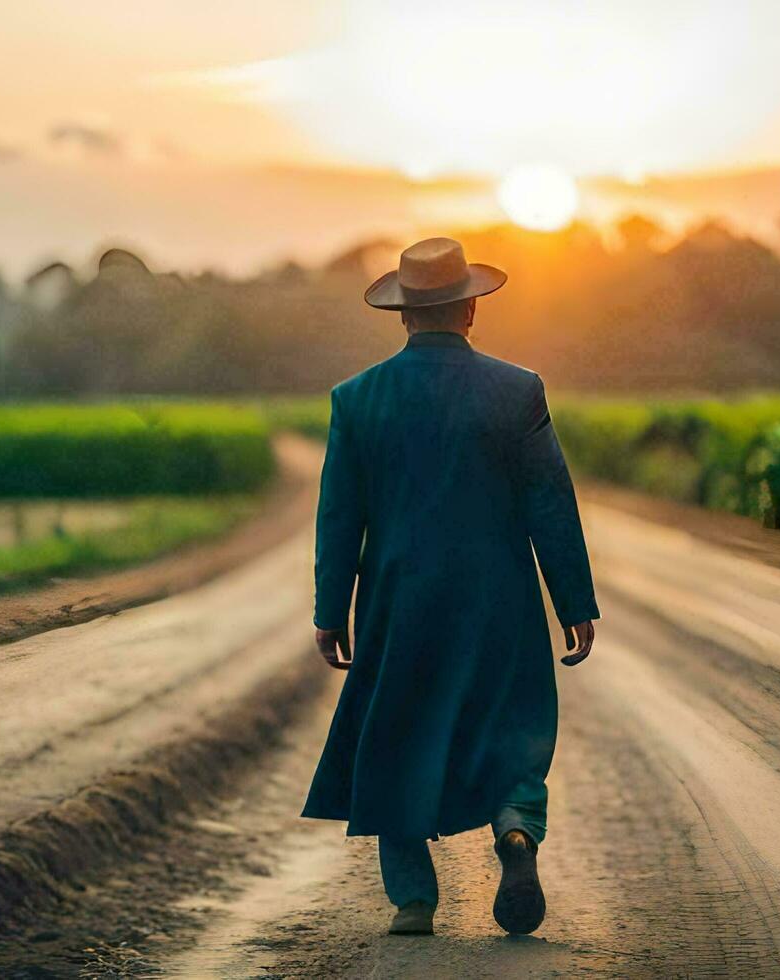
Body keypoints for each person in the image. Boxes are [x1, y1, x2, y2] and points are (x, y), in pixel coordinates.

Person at [301, 237, 600, 937]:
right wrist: (574, 602)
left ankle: (412, 899)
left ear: (403, 316)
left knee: (397, 731)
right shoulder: (517, 390)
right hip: (499, 597)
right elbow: (549, 503)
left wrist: (330, 609)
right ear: (470, 310)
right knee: (512, 721)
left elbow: (340, 516)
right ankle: (516, 825)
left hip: (397, 600)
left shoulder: (357, 400)